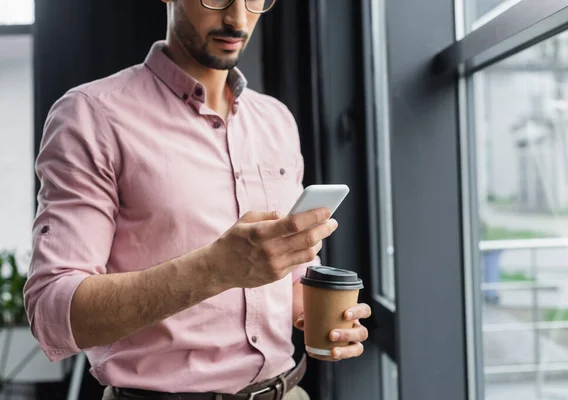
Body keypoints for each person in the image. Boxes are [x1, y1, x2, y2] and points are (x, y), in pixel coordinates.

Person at [24, 0, 372, 399]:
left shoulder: (276, 120)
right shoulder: (91, 116)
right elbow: (51, 312)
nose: (238, 19)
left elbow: (291, 273)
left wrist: (313, 315)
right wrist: (215, 269)